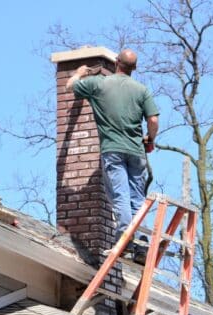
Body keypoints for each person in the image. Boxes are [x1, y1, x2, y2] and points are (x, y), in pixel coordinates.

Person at [65, 49, 159, 264]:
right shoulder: (141, 90)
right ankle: (141, 246)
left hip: (113, 151)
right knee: (138, 200)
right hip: (137, 152)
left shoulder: (99, 84)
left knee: (121, 197)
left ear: (117, 62)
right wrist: (150, 139)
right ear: (134, 68)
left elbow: (69, 86)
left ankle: (125, 241)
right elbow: (153, 121)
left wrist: (79, 72)